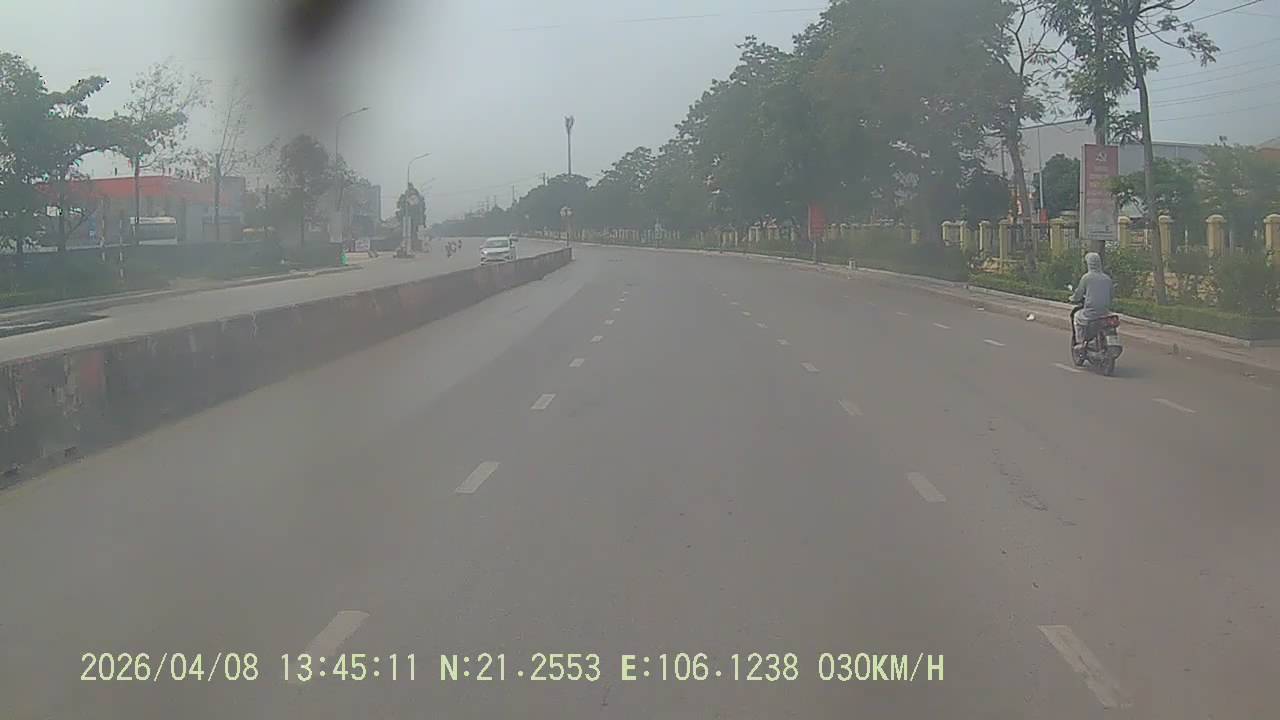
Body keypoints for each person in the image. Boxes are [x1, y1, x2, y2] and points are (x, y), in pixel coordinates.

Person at [1070, 251, 1114, 347]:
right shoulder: (1107, 278)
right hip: (1105, 313)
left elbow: (1079, 293)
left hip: (1090, 313)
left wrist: (1072, 298)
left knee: (1076, 317)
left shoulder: (1086, 277)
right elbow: (1111, 296)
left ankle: (1080, 343)